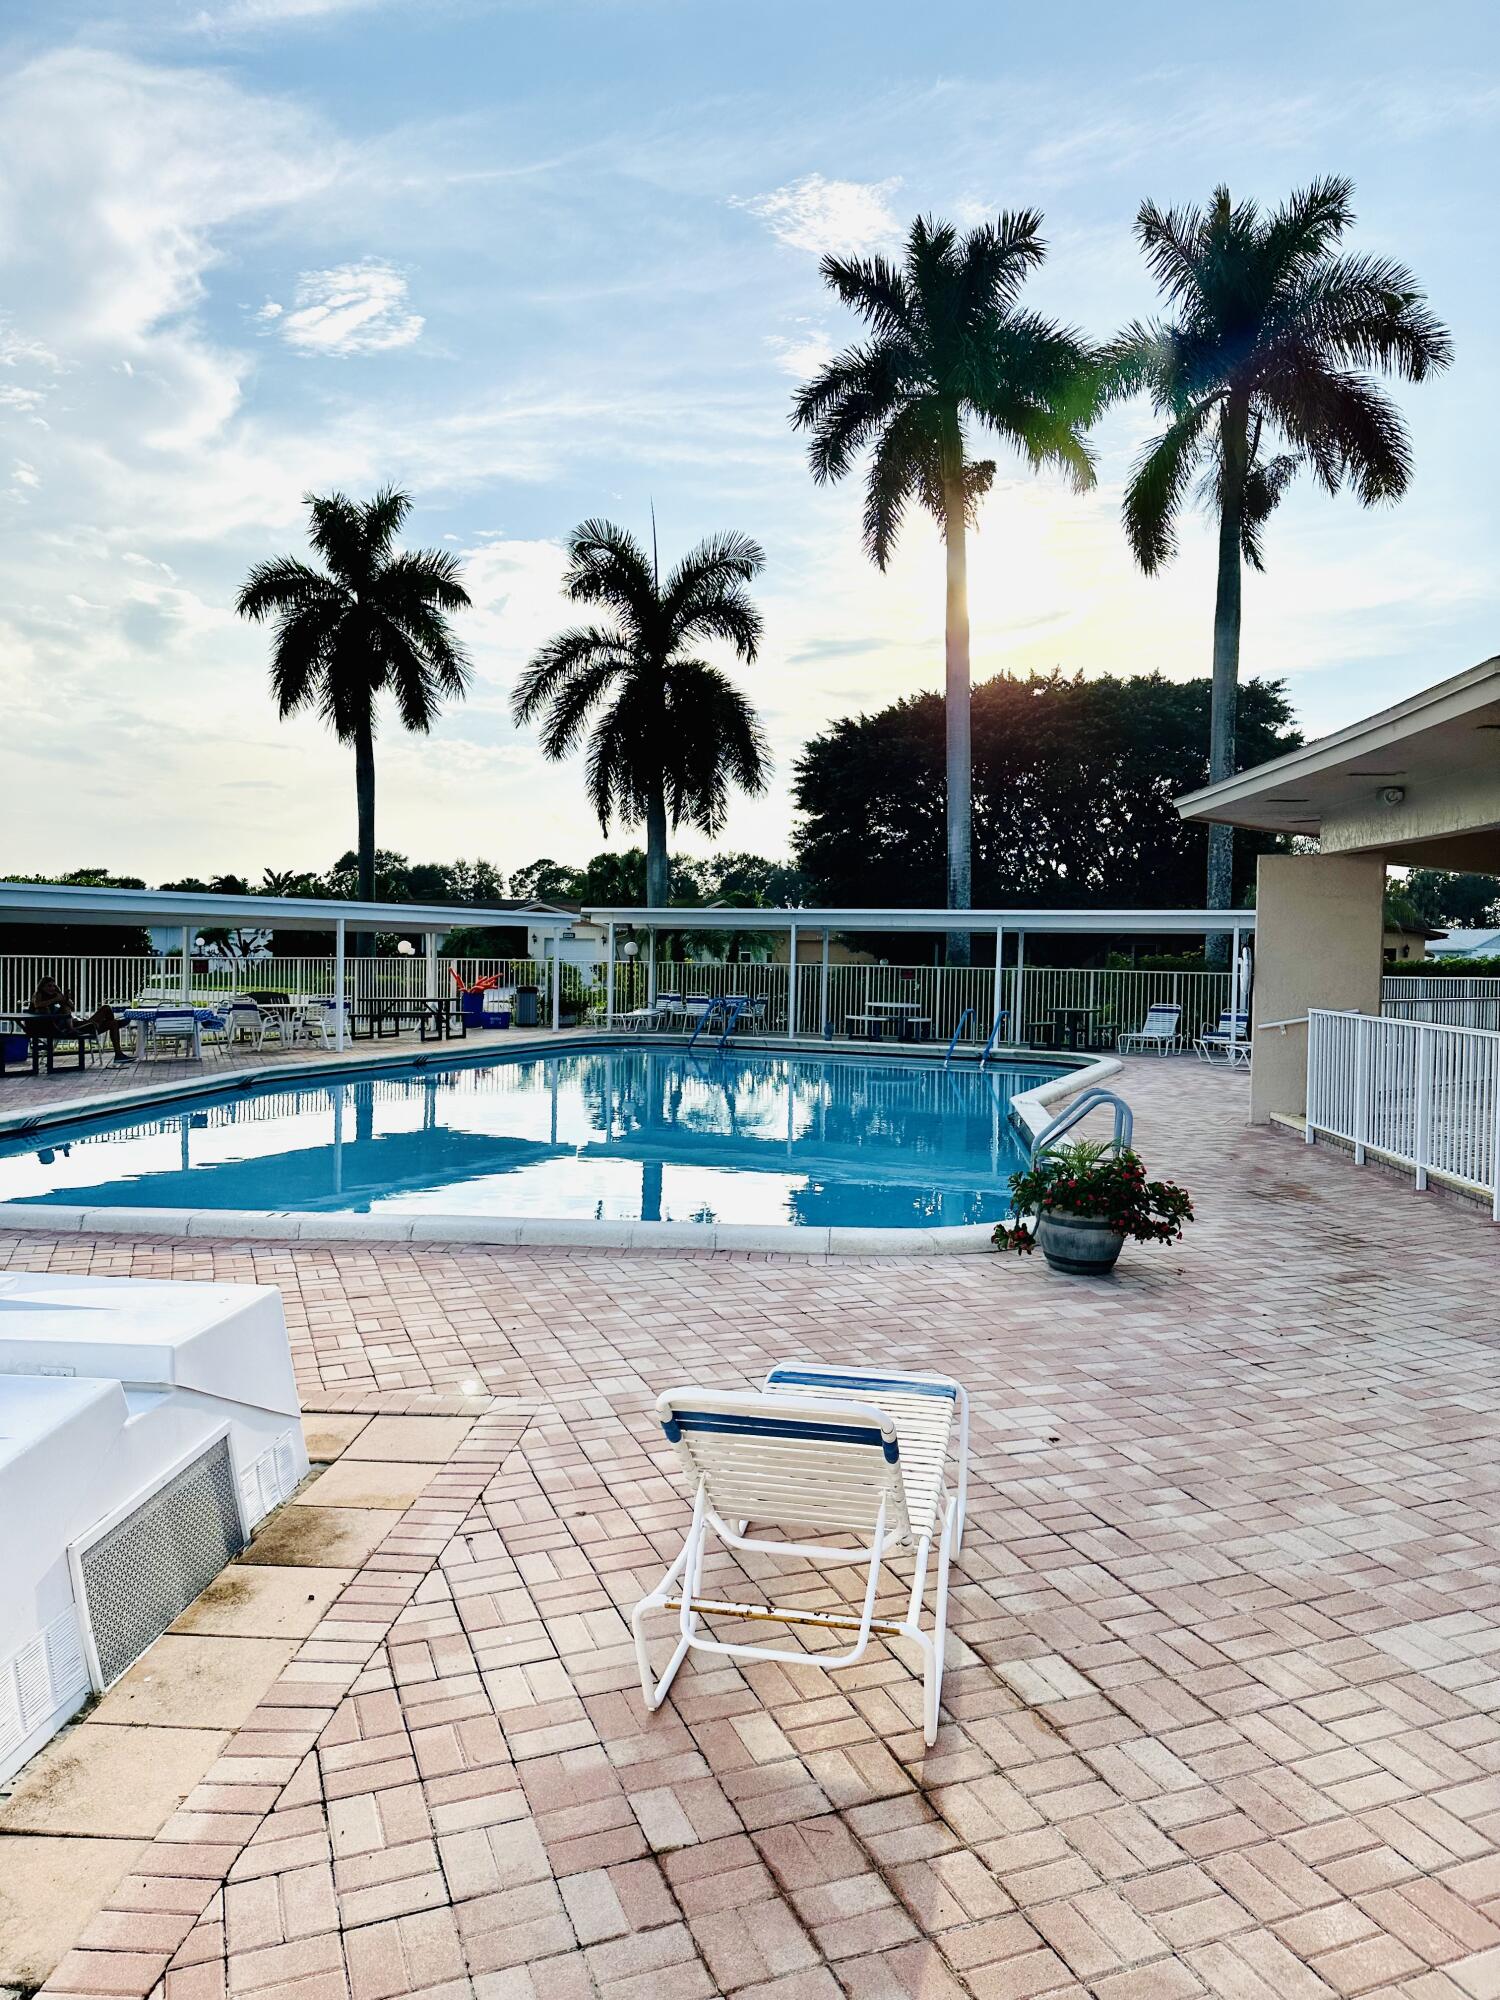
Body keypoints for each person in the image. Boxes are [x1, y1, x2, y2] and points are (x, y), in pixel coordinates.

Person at [26, 978, 132, 1063]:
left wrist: (64, 997)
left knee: (108, 1011)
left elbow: (71, 1007)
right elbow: (37, 1004)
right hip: (69, 1028)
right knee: (113, 1023)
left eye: (53, 986)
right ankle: (114, 1030)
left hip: (75, 1023)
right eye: (49, 986)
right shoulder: (38, 995)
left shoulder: (55, 995)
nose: (52, 988)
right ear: (42, 986)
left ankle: (118, 1054)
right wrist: (56, 1000)